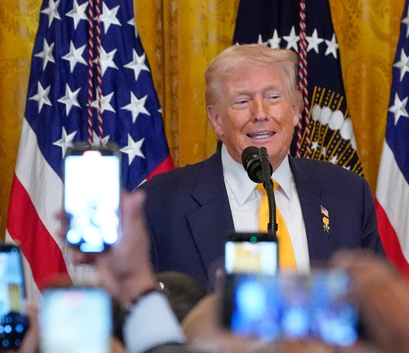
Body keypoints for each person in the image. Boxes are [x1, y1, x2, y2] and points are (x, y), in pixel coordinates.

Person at [140, 44, 384, 291]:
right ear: (216, 120)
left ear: (295, 111)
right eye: (242, 100)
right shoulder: (160, 203)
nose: (260, 113)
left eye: (273, 97)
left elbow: (379, 306)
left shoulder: (348, 194)